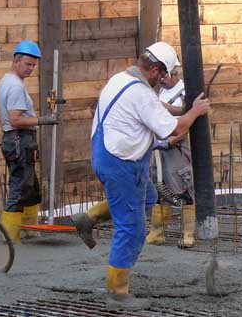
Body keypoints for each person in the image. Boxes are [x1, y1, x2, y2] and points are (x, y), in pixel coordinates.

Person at [85, 41, 210, 309]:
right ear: (154, 70)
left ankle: (89, 217)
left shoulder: (121, 79)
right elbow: (175, 131)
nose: (164, 80)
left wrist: (184, 110)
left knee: (149, 197)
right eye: (163, 75)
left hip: (116, 154)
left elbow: (157, 111)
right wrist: (195, 113)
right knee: (132, 228)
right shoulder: (140, 93)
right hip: (120, 162)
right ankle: (117, 294)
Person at [0, 40, 59, 243]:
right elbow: (15, 119)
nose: (31, 68)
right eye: (27, 64)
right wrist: (43, 120)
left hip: (18, 140)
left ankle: (29, 229)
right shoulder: (15, 87)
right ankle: (10, 236)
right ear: (16, 61)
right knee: (19, 186)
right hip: (19, 140)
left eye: (33, 65)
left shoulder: (8, 81)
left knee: (30, 185)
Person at [146, 65, 196, 248]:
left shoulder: (184, 92)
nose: (161, 79)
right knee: (160, 187)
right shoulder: (159, 92)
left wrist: (171, 141)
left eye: (164, 76)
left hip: (175, 148)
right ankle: (158, 232)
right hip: (158, 146)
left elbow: (186, 119)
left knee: (182, 188)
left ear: (174, 75)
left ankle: (188, 234)